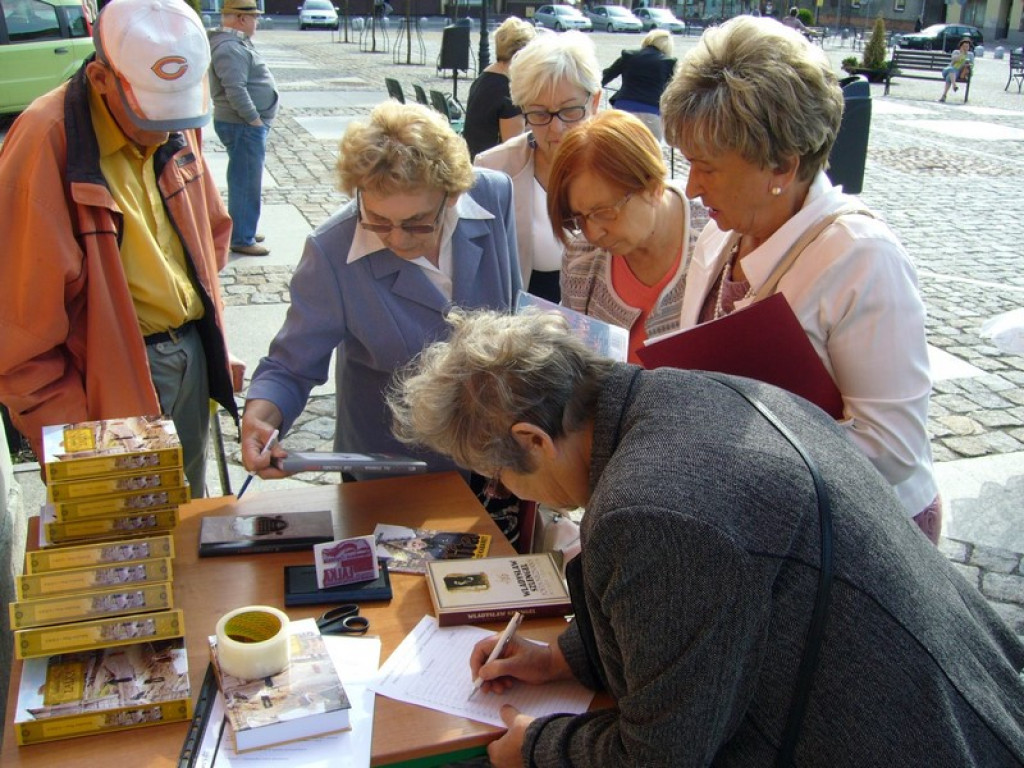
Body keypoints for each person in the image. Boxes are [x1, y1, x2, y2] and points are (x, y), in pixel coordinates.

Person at [387, 308, 1024, 767]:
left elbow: (661, 757)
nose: (503, 492)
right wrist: (563, 657)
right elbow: (701, 624)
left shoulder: (651, 511)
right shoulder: (691, 395)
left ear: (534, 441)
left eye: (498, 477)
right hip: (964, 705)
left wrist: (539, 747)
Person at [660, 16, 941, 540]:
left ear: (783, 168)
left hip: (864, 541)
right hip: (777, 520)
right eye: (688, 162)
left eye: (709, 168)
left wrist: (739, 440)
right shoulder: (721, 234)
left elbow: (894, 449)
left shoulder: (861, 258)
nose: (692, 187)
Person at [0, 0, 240, 497]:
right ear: (101, 78)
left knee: (187, 521)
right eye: (149, 116)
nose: (164, 134)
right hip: (104, 378)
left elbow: (210, 232)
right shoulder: (45, 141)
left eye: (176, 118)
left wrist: (209, 339)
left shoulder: (173, 115)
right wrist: (72, 435)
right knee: (124, 539)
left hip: (187, 354)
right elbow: (17, 333)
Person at [241, 101, 521, 520]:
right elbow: (290, 367)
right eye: (376, 220)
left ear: (454, 194)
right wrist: (260, 419)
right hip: (394, 471)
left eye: (418, 222)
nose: (397, 239)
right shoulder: (333, 251)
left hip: (496, 460)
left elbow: (513, 313)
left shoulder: (494, 196)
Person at [549, 110, 705, 362]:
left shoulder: (718, 245)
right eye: (578, 218)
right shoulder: (581, 258)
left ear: (653, 186)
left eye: (603, 212)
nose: (592, 233)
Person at [475, 31, 602, 304]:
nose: (556, 128)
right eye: (540, 114)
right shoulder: (494, 169)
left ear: (594, 102)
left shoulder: (616, 165)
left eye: (570, 111)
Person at [208, 0, 280, 257]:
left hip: (244, 126)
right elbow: (235, 89)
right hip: (242, 126)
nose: (256, 22)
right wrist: (254, 120)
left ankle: (243, 228)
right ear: (241, 19)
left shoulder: (235, 43)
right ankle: (242, 237)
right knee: (246, 182)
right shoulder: (229, 47)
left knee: (244, 179)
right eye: (254, 18)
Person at [462, 16, 535, 160]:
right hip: (492, 170)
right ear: (523, 54)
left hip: (473, 161)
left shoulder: (485, 76)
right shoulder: (508, 90)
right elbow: (514, 151)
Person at [600, 29, 676, 141]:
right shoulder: (669, 63)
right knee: (650, 154)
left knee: (620, 148)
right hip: (652, 111)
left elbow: (606, 76)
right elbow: (675, 92)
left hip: (623, 107)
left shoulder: (629, 56)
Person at [939, 37, 974, 102]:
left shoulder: (970, 55)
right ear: (961, 46)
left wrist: (967, 65)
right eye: (964, 46)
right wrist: (961, 54)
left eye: (967, 46)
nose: (966, 48)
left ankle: (944, 96)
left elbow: (972, 65)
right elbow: (954, 60)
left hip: (957, 73)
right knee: (951, 70)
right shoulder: (956, 52)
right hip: (947, 70)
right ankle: (954, 85)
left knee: (949, 77)